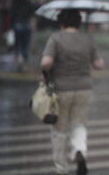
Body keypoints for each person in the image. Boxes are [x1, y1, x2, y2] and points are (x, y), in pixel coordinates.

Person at [40, 9, 104, 175]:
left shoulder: (56, 38)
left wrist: (51, 67)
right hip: (84, 88)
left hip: (61, 89)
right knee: (79, 124)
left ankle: (61, 169)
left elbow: (46, 63)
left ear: (61, 23)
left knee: (59, 130)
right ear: (79, 22)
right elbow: (99, 64)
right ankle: (79, 151)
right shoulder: (87, 39)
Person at [10, 0, 36, 70]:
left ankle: (18, 60)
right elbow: (32, 12)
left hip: (17, 25)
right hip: (26, 25)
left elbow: (12, 14)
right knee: (25, 45)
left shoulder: (14, 2)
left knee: (17, 44)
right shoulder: (28, 2)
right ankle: (25, 61)